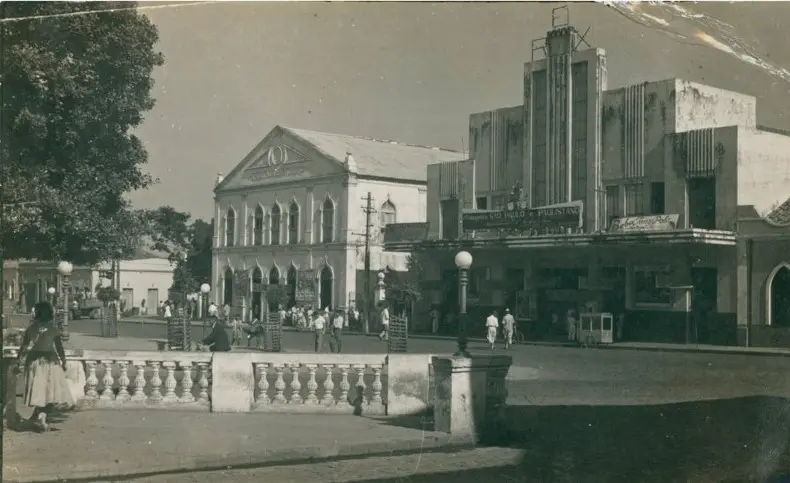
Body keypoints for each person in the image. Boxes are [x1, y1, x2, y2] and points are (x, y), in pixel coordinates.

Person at [15, 301, 74, 432]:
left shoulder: (31, 329)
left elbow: (24, 347)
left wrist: (18, 361)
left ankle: (37, 416)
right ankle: (41, 416)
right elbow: (59, 348)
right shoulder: (53, 329)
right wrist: (63, 362)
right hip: (50, 360)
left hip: (35, 361)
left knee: (40, 391)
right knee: (50, 392)